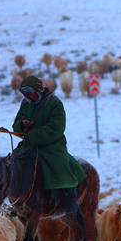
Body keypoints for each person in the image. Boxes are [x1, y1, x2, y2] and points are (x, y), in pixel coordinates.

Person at [13, 75, 86, 215]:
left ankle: (71, 197)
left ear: (38, 90)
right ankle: (17, 200)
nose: (29, 96)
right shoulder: (25, 104)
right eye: (26, 94)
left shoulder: (54, 103)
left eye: (31, 92)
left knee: (60, 162)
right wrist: (22, 125)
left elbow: (56, 128)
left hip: (52, 144)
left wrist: (32, 135)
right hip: (29, 143)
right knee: (14, 161)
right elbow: (16, 123)